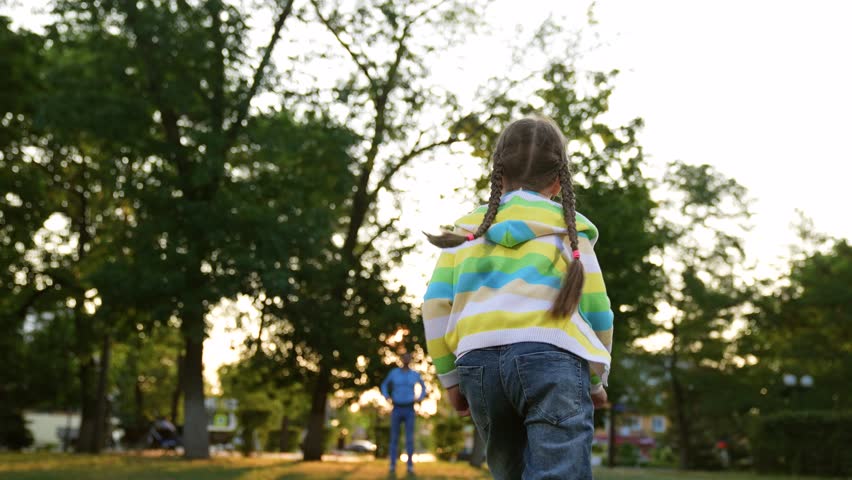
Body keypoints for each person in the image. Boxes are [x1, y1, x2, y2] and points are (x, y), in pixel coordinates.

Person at [423, 117, 613, 479]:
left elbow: (434, 307)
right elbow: (598, 313)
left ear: (498, 174)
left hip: (478, 364)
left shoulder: (465, 233)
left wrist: (449, 379)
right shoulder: (570, 233)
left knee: (507, 471)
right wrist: (595, 381)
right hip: (553, 358)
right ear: (559, 181)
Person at [380, 352, 427, 476]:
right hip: (396, 408)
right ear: (401, 359)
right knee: (394, 438)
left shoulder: (415, 374)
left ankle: (410, 466)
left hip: (409, 408)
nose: (406, 359)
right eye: (404, 357)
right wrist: (386, 396)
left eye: (408, 357)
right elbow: (384, 385)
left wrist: (420, 398)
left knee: (409, 439)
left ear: (410, 359)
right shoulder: (394, 373)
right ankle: (392, 465)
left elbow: (423, 387)